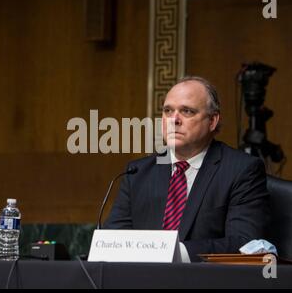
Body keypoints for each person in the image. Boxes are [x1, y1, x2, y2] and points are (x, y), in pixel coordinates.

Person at [104, 76, 270, 262]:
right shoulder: (137, 172)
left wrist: (174, 252)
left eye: (187, 111)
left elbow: (245, 243)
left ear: (212, 121)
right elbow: (113, 240)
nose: (174, 120)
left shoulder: (242, 170)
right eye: (168, 111)